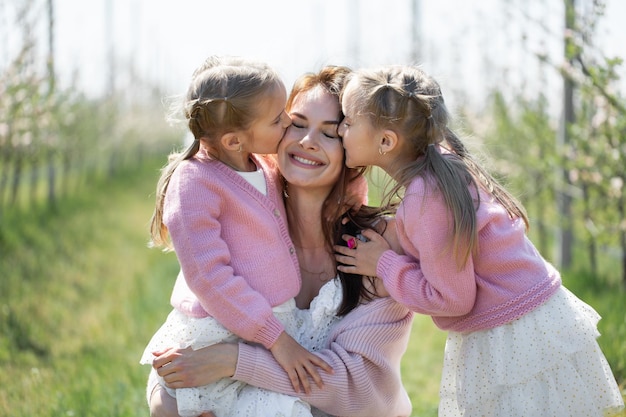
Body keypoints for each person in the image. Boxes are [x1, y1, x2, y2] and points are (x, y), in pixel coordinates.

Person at [334, 64, 625, 417]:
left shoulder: (426, 198)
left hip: (512, 336)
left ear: (386, 142)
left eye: (348, 122)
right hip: (529, 319)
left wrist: (382, 263)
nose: (340, 129)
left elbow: (453, 298)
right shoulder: (440, 168)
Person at [149, 66, 414, 417]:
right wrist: (166, 397)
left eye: (330, 133)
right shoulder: (240, 225)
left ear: (354, 146)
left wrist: (235, 361)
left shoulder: (377, 248)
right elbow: (183, 356)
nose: (307, 141)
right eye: (297, 123)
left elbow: (364, 391)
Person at [140, 55, 332, 417]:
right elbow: (208, 277)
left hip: (271, 326)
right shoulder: (196, 182)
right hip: (224, 328)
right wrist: (277, 339)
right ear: (233, 140)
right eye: (277, 119)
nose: (288, 121)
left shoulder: (261, 164)